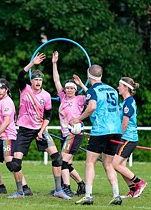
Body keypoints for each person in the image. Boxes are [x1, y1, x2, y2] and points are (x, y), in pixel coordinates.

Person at [7, 53, 71, 200]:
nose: (38, 82)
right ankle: (20, 192)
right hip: (23, 130)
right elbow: (19, 76)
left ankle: (58, 190)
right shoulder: (24, 89)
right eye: (35, 79)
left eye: (40, 80)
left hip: (39, 130)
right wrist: (32, 64)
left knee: (57, 158)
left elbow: (48, 116)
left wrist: (41, 131)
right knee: (15, 164)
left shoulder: (47, 96)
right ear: (31, 81)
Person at [71, 64, 123, 205]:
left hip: (101, 130)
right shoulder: (112, 89)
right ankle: (116, 195)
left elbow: (92, 106)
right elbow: (98, 97)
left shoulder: (93, 91)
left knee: (90, 162)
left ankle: (88, 195)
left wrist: (78, 119)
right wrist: (82, 84)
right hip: (116, 130)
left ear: (89, 75)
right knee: (108, 164)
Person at [0, 78, 33, 196]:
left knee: (12, 164)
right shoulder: (1, 102)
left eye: (2, 88)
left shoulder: (7, 102)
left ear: (7, 89)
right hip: (1, 138)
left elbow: (6, 122)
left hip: (7, 137)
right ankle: (1, 187)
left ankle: (23, 189)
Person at [52, 51, 87, 197]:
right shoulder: (63, 98)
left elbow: (93, 96)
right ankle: (81, 185)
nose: (69, 90)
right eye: (67, 88)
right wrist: (54, 63)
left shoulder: (80, 99)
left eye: (72, 88)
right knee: (66, 163)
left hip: (75, 134)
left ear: (76, 89)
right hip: (65, 135)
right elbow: (56, 80)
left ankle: (66, 187)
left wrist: (81, 85)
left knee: (62, 161)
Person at [112, 77, 147, 198]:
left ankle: (139, 183)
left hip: (128, 138)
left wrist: (117, 137)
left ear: (126, 88)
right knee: (121, 166)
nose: (118, 88)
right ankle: (132, 190)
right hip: (127, 138)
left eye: (119, 85)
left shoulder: (128, 103)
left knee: (115, 164)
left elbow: (125, 124)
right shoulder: (125, 102)